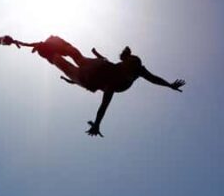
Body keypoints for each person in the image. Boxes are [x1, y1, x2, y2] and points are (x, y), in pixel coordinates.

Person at [32, 36, 185, 137]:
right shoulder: (126, 68)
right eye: (128, 61)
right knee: (76, 56)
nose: (130, 65)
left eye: (131, 65)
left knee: (65, 64)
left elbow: (105, 105)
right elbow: (153, 78)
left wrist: (97, 124)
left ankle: (48, 51)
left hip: (88, 79)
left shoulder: (121, 79)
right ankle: (55, 45)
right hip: (97, 67)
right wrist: (169, 85)